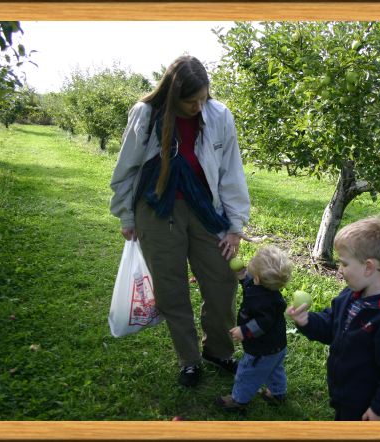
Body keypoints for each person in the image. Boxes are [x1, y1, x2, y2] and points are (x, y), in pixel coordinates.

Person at [109, 55, 250, 387]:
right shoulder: (146, 114)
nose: (199, 107)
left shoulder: (219, 116)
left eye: (203, 98)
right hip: (157, 211)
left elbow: (232, 172)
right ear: (173, 95)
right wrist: (126, 215)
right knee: (171, 288)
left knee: (221, 281)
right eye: (191, 101)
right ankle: (189, 359)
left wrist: (235, 226)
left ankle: (219, 350)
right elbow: (126, 170)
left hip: (206, 210)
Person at [286, 215, 380, 420]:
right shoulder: (349, 296)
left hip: (364, 403)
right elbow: (331, 325)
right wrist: (307, 321)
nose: (339, 269)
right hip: (344, 391)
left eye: (344, 263)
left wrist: (379, 409)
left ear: (368, 267)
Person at [216, 246, 292, 412]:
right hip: (277, 346)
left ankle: (238, 400)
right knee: (274, 369)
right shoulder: (267, 291)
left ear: (257, 278)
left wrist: (244, 331)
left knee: (247, 373)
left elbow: (262, 323)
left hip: (261, 350)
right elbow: (251, 287)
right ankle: (278, 393)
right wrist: (243, 277)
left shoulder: (262, 302)